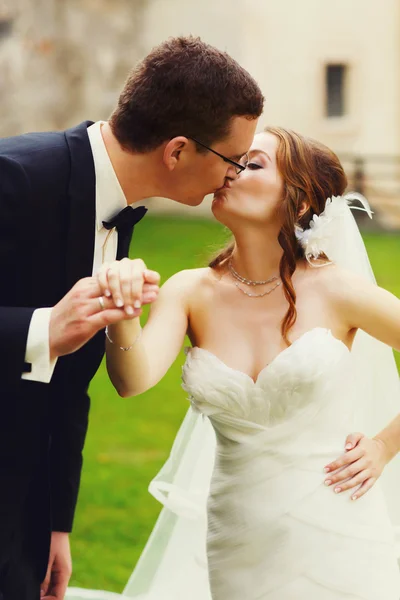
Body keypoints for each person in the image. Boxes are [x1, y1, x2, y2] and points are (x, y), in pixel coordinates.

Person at [0, 35, 263, 600]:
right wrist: (39, 329)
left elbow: (70, 387)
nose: (235, 175)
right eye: (232, 160)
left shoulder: (117, 216)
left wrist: (54, 523)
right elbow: (50, 340)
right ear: (177, 151)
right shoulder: (14, 177)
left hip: (22, 514)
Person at [96, 126, 400, 599]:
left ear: (298, 202)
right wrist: (123, 310)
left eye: (253, 163)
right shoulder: (190, 290)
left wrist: (383, 447)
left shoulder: (338, 290)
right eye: (234, 160)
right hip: (239, 541)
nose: (230, 171)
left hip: (341, 530)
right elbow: (132, 380)